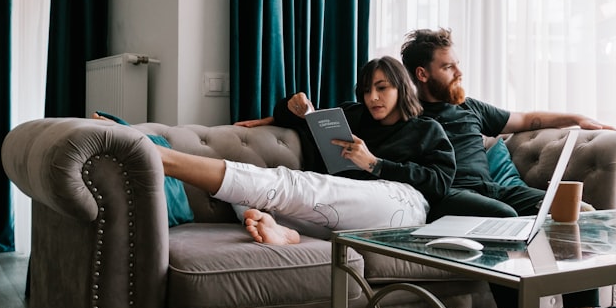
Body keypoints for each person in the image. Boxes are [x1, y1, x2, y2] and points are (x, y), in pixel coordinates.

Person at [400, 28, 616, 308]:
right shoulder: (404, 116)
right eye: (448, 67)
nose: (459, 72)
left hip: (498, 190)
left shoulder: (469, 107)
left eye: (457, 64)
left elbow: (528, 119)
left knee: (575, 215)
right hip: (453, 197)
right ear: (422, 74)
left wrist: (576, 118)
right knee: (508, 223)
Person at [155, 56, 455, 244]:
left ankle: (163, 158)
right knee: (253, 201)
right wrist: (293, 106)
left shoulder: (427, 129)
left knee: (300, 186)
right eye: (366, 89)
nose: (372, 97)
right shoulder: (354, 115)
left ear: (402, 87)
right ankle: (287, 232)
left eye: (382, 87)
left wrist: (375, 164)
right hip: (344, 210)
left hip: (402, 205)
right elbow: (301, 119)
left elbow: (440, 183)